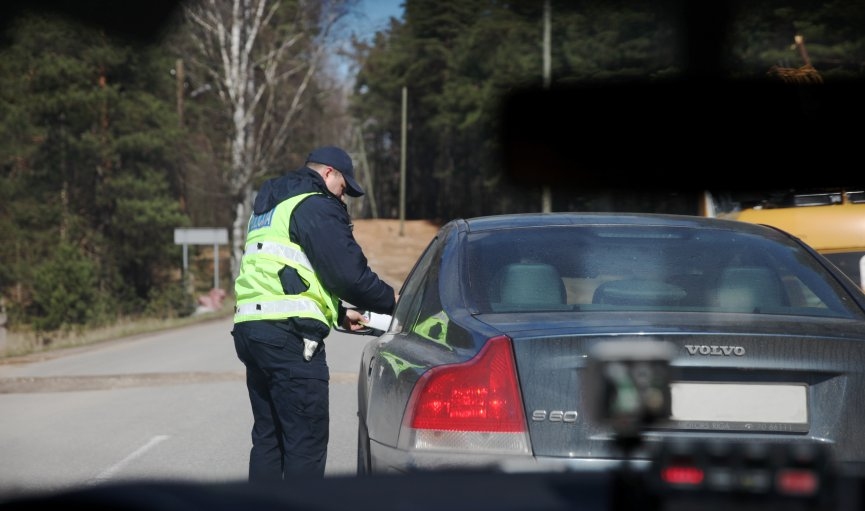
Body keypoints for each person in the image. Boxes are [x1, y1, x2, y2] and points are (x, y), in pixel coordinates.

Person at [231, 145, 397, 481]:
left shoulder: (270, 207)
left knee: (269, 439)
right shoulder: (314, 204)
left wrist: (337, 312)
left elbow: (289, 273)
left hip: (253, 332)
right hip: (289, 339)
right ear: (328, 174)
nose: (343, 197)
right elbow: (348, 275)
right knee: (305, 442)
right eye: (343, 187)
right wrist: (396, 303)